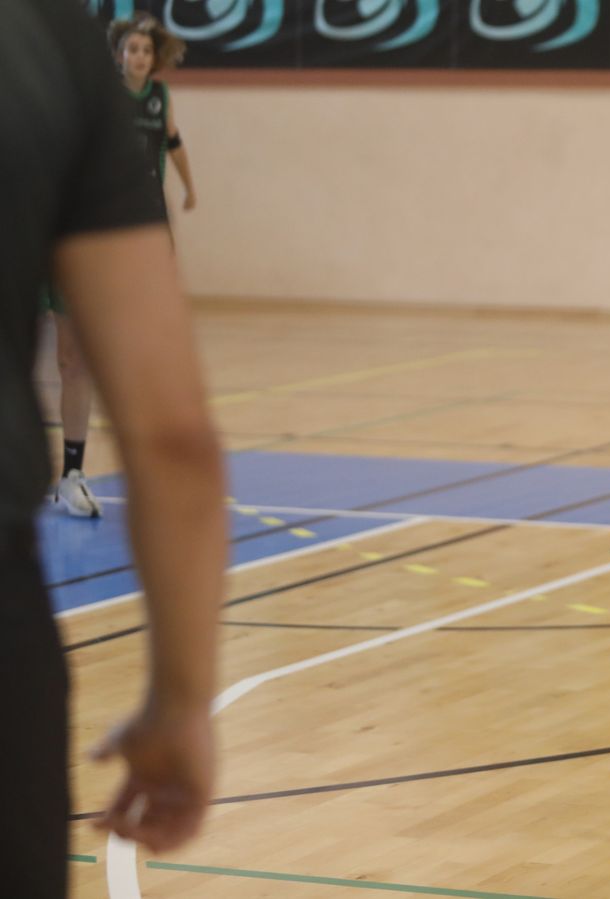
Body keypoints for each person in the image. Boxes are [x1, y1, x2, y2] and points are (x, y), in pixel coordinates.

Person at [1, 1, 226, 894]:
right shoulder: (47, 45)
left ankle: (72, 472)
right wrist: (180, 702)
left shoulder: (136, 92)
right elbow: (172, 435)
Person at [43, 11, 198, 516]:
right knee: (70, 360)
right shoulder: (84, 103)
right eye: (130, 49)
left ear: (153, 59)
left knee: (122, 356)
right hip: (68, 240)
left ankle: (96, 469)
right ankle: (71, 473)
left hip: (126, 243)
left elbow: (171, 146)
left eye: (145, 50)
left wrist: (189, 190)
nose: (136, 57)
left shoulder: (158, 100)